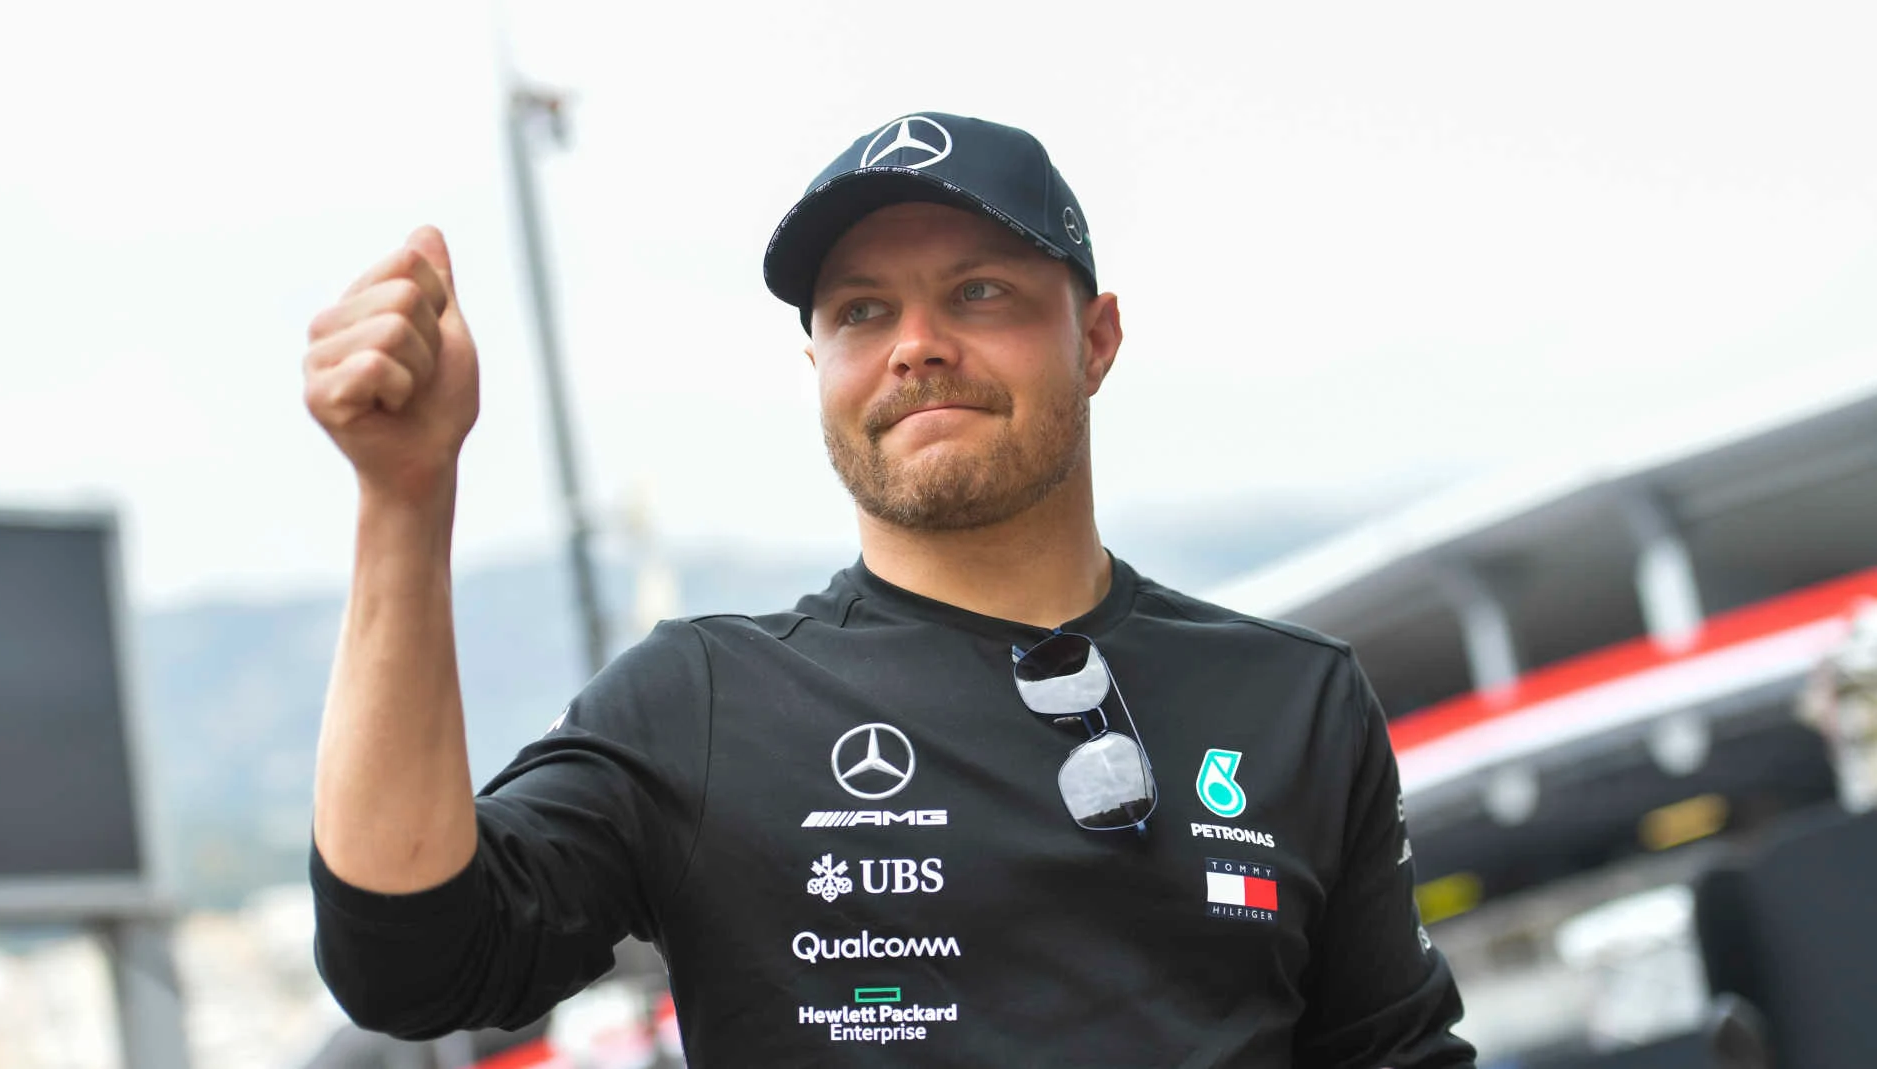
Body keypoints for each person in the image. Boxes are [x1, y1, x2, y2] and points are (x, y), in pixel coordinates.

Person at [302, 111, 1476, 1068]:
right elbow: (412, 964)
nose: (916, 343)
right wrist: (405, 500)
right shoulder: (702, 701)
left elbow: (1392, 1051)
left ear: (1097, 337)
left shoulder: (1292, 696)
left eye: (978, 293)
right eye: (861, 310)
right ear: (818, 364)